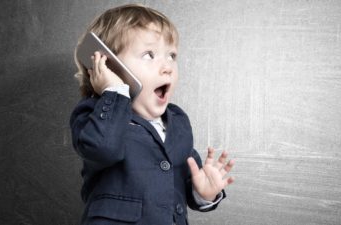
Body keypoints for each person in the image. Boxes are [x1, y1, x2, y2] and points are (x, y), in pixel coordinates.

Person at [70, 4, 235, 225]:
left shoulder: (178, 123)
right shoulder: (93, 113)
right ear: (109, 66)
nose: (167, 67)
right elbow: (103, 149)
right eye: (149, 54)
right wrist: (115, 93)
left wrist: (203, 193)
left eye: (172, 55)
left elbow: (183, 181)